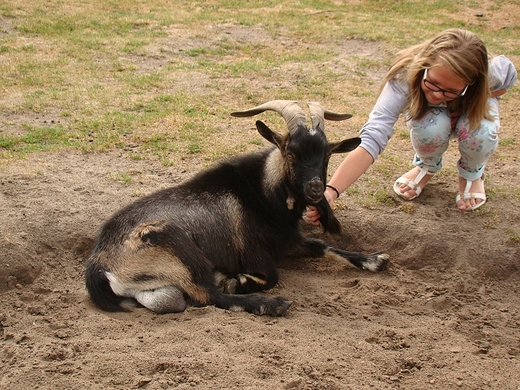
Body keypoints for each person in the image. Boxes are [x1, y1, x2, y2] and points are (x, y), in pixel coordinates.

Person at [306, 28, 517, 225]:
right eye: (432, 83)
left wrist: (471, 102)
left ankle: (472, 174)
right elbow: (373, 136)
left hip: (472, 107)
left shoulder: (490, 75)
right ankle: (426, 165)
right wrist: (331, 191)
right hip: (430, 116)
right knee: (430, 127)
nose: (436, 94)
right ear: (424, 67)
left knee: (481, 132)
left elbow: (508, 74)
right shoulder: (404, 77)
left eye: (449, 90)